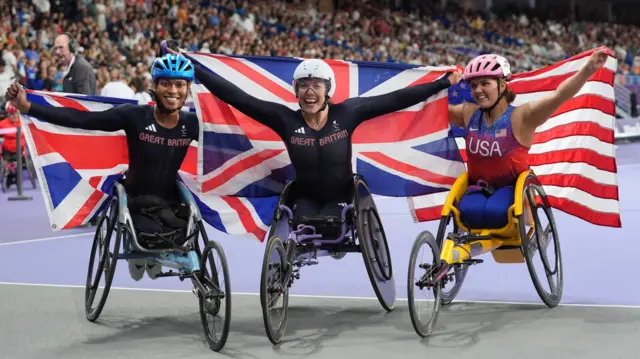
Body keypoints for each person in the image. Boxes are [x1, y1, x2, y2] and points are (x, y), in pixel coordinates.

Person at [164, 44, 460, 222]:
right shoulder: (283, 119)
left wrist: (441, 84)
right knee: (301, 220)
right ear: (295, 90)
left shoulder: (349, 113)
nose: (309, 91)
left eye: (316, 85)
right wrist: (194, 70)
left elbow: (395, 99)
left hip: (343, 196)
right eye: (304, 85)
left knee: (333, 220)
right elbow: (238, 97)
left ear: (327, 90)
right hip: (304, 196)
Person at [4, 53, 199, 282]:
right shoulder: (134, 116)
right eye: (165, 83)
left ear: (187, 89)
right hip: (138, 201)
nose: (172, 91)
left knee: (187, 229)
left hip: (172, 200)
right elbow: (81, 120)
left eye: (179, 84)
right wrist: (28, 107)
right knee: (148, 238)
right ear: (154, 86)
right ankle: (144, 254)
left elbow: (231, 137)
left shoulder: (192, 123)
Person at [447, 50, 608, 229]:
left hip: (513, 189)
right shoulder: (469, 113)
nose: (478, 90)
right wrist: (438, 84)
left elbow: (559, 96)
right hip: (478, 186)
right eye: (473, 85)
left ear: (502, 86)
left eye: (485, 83)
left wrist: (588, 69)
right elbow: (436, 110)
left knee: (496, 211)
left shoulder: (522, 116)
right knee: (467, 211)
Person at [0, 102, 26, 189]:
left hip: (21, 150)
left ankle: (16, 174)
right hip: (7, 150)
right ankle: (9, 173)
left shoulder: (23, 122)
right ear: (8, 114)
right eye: (11, 114)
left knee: (19, 156)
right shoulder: (2, 124)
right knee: (5, 154)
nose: (13, 116)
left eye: (15, 114)